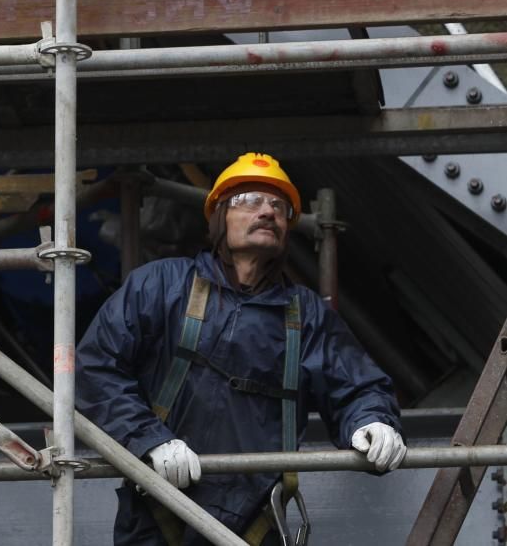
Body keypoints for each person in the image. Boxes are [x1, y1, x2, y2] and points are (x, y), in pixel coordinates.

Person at [76, 152, 405, 545]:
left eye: (278, 206)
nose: (267, 211)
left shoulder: (308, 316)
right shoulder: (160, 286)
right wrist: (149, 439)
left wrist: (372, 420)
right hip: (157, 515)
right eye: (249, 200)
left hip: (256, 522)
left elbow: (356, 386)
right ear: (219, 219)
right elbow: (96, 367)